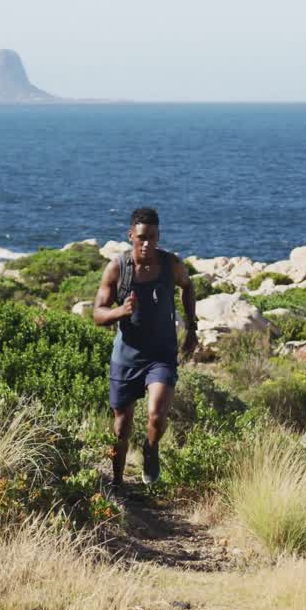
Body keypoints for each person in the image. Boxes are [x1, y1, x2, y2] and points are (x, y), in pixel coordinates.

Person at [92, 207, 197, 491]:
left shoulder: (170, 265)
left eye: (153, 237)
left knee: (156, 415)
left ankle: (151, 449)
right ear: (131, 236)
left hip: (161, 356)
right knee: (121, 428)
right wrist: (120, 312)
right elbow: (98, 314)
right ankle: (116, 483)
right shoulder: (118, 268)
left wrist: (192, 327)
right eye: (142, 238)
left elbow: (188, 287)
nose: (147, 243)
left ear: (158, 235)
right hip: (126, 357)